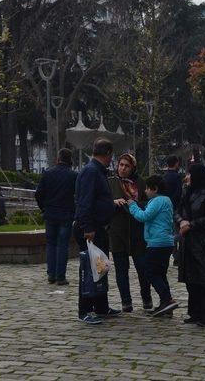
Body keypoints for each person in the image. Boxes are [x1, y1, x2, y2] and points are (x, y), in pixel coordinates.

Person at [74, 138, 119, 325]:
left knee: (100, 268)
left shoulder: (97, 171)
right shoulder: (91, 172)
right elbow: (85, 201)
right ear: (108, 153)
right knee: (89, 269)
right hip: (91, 228)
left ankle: (101, 305)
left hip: (99, 227)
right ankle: (85, 308)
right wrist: (88, 227)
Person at [127, 175, 179, 317]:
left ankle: (167, 299)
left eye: (147, 188)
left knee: (150, 272)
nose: (145, 191)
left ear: (154, 189)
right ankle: (165, 306)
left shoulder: (157, 201)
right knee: (161, 274)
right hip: (166, 242)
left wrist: (132, 205)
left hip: (157, 242)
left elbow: (144, 216)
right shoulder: (167, 200)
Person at [107, 153, 152, 312]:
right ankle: (126, 301)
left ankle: (147, 299)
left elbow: (149, 202)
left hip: (137, 230)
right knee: (121, 269)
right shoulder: (110, 182)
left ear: (133, 167)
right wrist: (112, 203)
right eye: (121, 165)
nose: (123, 168)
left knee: (142, 268)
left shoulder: (140, 183)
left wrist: (134, 204)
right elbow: (103, 202)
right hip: (118, 230)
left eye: (127, 166)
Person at [176, 164, 205, 327]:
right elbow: (178, 210)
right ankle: (195, 313)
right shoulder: (188, 193)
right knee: (191, 279)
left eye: (189, 174)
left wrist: (192, 224)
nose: (187, 177)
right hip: (187, 241)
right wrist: (181, 221)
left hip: (203, 243)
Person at [35, 149, 78, 285]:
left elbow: (38, 194)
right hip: (66, 214)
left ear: (58, 159)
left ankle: (51, 274)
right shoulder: (73, 176)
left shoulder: (47, 174)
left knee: (51, 244)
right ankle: (61, 276)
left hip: (50, 213)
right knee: (62, 245)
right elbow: (78, 195)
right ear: (70, 160)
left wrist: (43, 207)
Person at [162, 155, 182, 265]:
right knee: (178, 232)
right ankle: (176, 256)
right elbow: (178, 193)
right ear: (176, 163)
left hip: (165, 208)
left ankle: (175, 255)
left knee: (170, 231)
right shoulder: (177, 177)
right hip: (175, 208)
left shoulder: (164, 176)